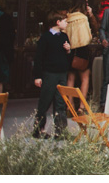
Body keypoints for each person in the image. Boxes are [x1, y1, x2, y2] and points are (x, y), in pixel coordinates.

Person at [32, 10, 71, 139]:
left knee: (61, 102)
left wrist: (68, 50)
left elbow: (68, 59)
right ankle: (38, 130)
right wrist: (37, 76)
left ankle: (60, 132)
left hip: (61, 74)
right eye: (65, 21)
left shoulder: (64, 37)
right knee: (45, 102)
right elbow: (38, 58)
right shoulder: (45, 38)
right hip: (49, 74)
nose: (67, 23)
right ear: (58, 22)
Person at [64, 0, 98, 113]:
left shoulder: (67, 17)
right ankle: (82, 107)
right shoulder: (83, 18)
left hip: (69, 49)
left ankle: (69, 105)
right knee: (85, 78)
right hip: (83, 49)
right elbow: (92, 31)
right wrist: (91, 15)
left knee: (70, 78)